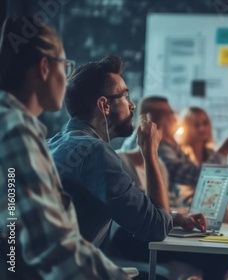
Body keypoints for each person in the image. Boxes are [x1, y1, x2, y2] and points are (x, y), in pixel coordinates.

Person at [0, 17, 131, 279]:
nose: (67, 76)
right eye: (65, 65)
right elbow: (52, 245)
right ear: (45, 67)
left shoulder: (22, 128)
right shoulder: (15, 130)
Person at [47, 55, 206, 250]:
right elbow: (157, 228)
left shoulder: (51, 144)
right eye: (125, 96)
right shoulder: (97, 153)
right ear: (104, 105)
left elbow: (138, 210)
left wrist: (176, 217)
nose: (132, 105)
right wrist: (150, 153)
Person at [121, 98, 228, 222]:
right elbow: (192, 177)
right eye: (170, 114)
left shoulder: (164, 162)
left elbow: (169, 208)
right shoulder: (128, 160)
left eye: (205, 123)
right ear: (153, 120)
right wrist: (213, 214)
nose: (175, 119)